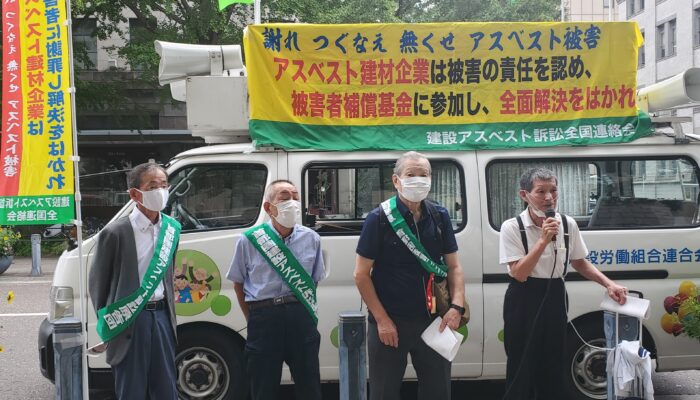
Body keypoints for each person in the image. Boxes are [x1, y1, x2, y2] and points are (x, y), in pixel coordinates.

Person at [499, 167, 628, 400]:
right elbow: (519, 273)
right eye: (541, 191)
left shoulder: (567, 224)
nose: (549, 198)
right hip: (523, 296)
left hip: (555, 293)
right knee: (522, 361)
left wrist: (608, 284)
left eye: (553, 191)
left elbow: (579, 262)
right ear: (524, 195)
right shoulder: (512, 227)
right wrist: (542, 241)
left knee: (553, 360)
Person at [354, 151, 466, 400]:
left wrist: (456, 307)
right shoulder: (379, 218)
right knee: (384, 392)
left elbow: (454, 267)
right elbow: (361, 275)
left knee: (438, 392)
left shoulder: (439, 216)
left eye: (424, 175)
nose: (418, 180)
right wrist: (382, 320)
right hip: (390, 322)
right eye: (411, 175)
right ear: (396, 181)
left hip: (433, 320)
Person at [89, 162, 180, 400]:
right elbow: (99, 284)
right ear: (134, 194)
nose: (160, 191)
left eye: (163, 185)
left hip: (161, 316)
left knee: (166, 388)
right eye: (152, 186)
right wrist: (111, 324)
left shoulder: (172, 229)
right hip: (129, 320)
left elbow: (168, 274)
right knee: (132, 389)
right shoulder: (116, 232)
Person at [227, 180, 326, 400]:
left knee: (309, 384)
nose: (292, 203)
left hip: (299, 316)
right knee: (263, 386)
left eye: (295, 197)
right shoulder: (249, 240)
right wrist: (254, 316)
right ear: (268, 207)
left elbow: (314, 281)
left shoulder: (312, 238)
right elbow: (238, 283)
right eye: (284, 197)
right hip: (264, 318)